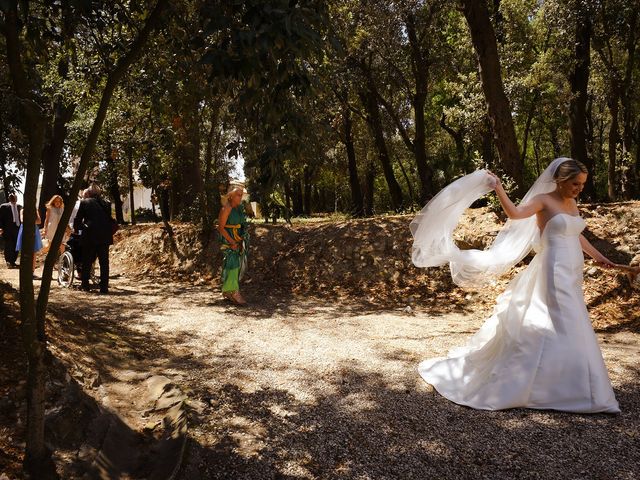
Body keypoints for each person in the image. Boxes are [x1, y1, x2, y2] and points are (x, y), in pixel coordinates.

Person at [411, 158, 640, 413]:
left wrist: (599, 257)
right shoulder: (543, 201)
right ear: (561, 180)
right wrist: (498, 188)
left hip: (572, 268)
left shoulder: (572, 202)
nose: (579, 189)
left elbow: (576, 234)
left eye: (582, 184)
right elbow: (515, 214)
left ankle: (573, 385)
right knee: (559, 319)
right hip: (553, 268)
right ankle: (553, 387)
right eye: (575, 183)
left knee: (573, 320)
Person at [73, 185, 113, 293]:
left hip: (90, 235)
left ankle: (85, 285)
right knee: (104, 262)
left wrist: (77, 228)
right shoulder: (106, 203)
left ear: (89, 193)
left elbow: (78, 219)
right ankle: (104, 287)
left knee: (87, 261)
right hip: (104, 236)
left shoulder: (85, 202)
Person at [217, 186, 248, 305]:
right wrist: (231, 242)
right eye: (238, 195)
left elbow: (242, 223)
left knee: (236, 265)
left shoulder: (239, 208)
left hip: (238, 240)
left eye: (241, 195)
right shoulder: (227, 208)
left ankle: (227, 291)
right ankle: (234, 292)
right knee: (233, 264)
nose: (240, 197)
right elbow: (221, 228)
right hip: (229, 241)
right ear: (230, 196)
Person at [15, 209, 43, 275]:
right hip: (24, 230)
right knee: (23, 251)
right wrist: (33, 221)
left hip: (34, 230)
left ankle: (32, 272)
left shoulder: (35, 210)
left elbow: (39, 221)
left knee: (34, 252)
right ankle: (24, 271)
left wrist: (29, 221)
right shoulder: (22, 210)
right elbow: (22, 220)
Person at [0, 193, 22, 267]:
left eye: (15, 197)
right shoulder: (4, 206)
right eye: (12, 197)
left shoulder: (19, 207)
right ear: (9, 198)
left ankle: (13, 261)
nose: (13, 198)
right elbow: (0, 218)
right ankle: (8, 261)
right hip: (7, 228)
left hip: (17, 228)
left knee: (16, 244)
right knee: (9, 245)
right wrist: (1, 227)